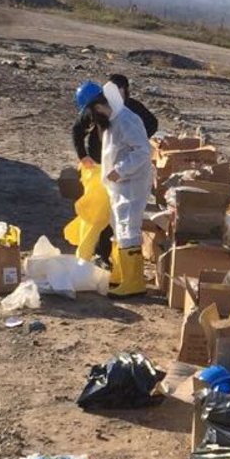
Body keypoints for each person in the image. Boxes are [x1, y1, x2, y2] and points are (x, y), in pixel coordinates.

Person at [74, 79, 153, 297]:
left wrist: (121, 170)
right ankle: (121, 275)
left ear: (98, 107)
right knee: (119, 229)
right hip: (119, 185)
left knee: (129, 230)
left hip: (131, 184)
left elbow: (143, 152)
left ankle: (134, 283)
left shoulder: (125, 120)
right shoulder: (113, 119)